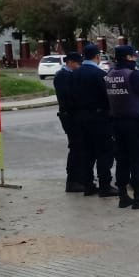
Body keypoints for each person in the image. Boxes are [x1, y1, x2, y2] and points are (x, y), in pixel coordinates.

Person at [104, 45, 139, 209]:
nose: (136, 58)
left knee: (122, 160)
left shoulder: (110, 75)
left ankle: (123, 195)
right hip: (135, 123)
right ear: (129, 58)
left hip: (116, 123)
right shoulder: (134, 75)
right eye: (134, 56)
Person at [71, 43, 119, 197]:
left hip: (80, 118)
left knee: (87, 153)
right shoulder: (99, 74)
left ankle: (88, 185)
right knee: (104, 152)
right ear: (97, 56)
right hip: (99, 118)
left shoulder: (74, 74)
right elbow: (107, 97)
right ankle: (105, 185)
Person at [54, 52, 84, 192]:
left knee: (79, 147)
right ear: (70, 62)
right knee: (76, 147)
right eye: (78, 64)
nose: (79, 66)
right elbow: (69, 96)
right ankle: (72, 180)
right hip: (69, 116)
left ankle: (78, 177)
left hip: (73, 115)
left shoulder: (68, 75)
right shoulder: (62, 76)